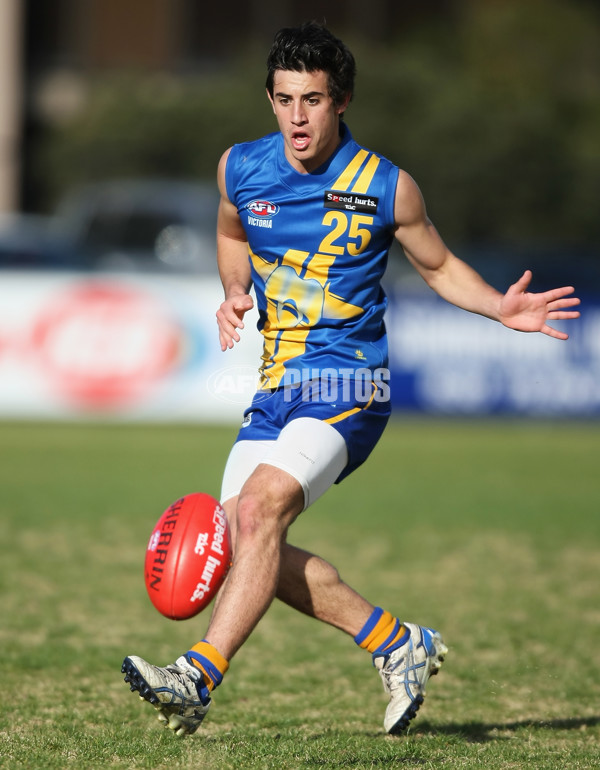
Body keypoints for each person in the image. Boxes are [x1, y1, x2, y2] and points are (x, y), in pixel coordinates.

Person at [121, 22, 580, 736]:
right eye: (282, 99)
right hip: (276, 387)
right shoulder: (239, 168)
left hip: (352, 385)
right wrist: (234, 289)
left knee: (260, 509)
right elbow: (230, 230)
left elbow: (437, 265)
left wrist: (498, 306)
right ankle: (398, 644)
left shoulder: (386, 186)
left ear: (342, 101)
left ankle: (196, 675)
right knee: (251, 544)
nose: (296, 117)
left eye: (311, 100)